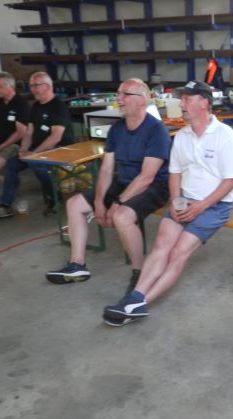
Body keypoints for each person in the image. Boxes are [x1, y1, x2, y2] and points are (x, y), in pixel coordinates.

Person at [102, 80, 233, 326]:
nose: (181, 104)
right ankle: (135, 297)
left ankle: (139, 304)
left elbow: (232, 179)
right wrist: (177, 202)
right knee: (161, 245)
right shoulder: (182, 136)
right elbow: (175, 173)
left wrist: (201, 206)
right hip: (184, 200)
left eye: (187, 99)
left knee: (178, 252)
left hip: (214, 205)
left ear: (204, 103)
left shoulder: (225, 135)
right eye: (182, 99)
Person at [45, 78, 171, 292]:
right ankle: (78, 265)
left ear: (142, 100)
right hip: (124, 183)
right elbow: (106, 169)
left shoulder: (156, 130)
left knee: (122, 216)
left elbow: (147, 177)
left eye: (125, 94)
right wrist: (98, 201)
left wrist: (116, 204)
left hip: (155, 187)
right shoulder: (116, 129)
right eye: (118, 94)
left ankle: (139, 273)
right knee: (74, 204)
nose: (119, 99)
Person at [0, 71, 73, 219]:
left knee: (35, 163)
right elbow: (29, 132)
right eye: (31, 86)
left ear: (46, 86)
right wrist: (24, 149)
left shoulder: (58, 106)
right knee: (12, 164)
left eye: (35, 85)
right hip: (39, 150)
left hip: (60, 149)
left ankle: (54, 198)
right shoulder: (36, 106)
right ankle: (6, 205)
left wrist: (34, 153)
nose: (32, 89)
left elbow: (55, 137)